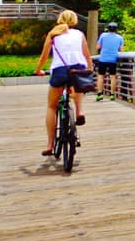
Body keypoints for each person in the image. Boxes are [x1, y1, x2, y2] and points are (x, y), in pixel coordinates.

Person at [33, 10, 93, 156]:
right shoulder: (79, 34)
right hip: (78, 69)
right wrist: (90, 69)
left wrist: (38, 70)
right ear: (74, 20)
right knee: (77, 87)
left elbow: (44, 56)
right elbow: (86, 55)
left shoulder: (53, 34)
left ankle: (50, 144)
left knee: (51, 106)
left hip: (60, 70)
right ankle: (79, 112)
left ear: (60, 19)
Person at [95, 22, 124, 101]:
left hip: (103, 58)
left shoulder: (103, 35)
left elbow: (98, 47)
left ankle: (100, 94)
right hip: (113, 59)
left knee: (101, 76)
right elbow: (121, 50)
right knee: (113, 77)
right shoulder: (119, 37)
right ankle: (112, 95)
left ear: (108, 28)